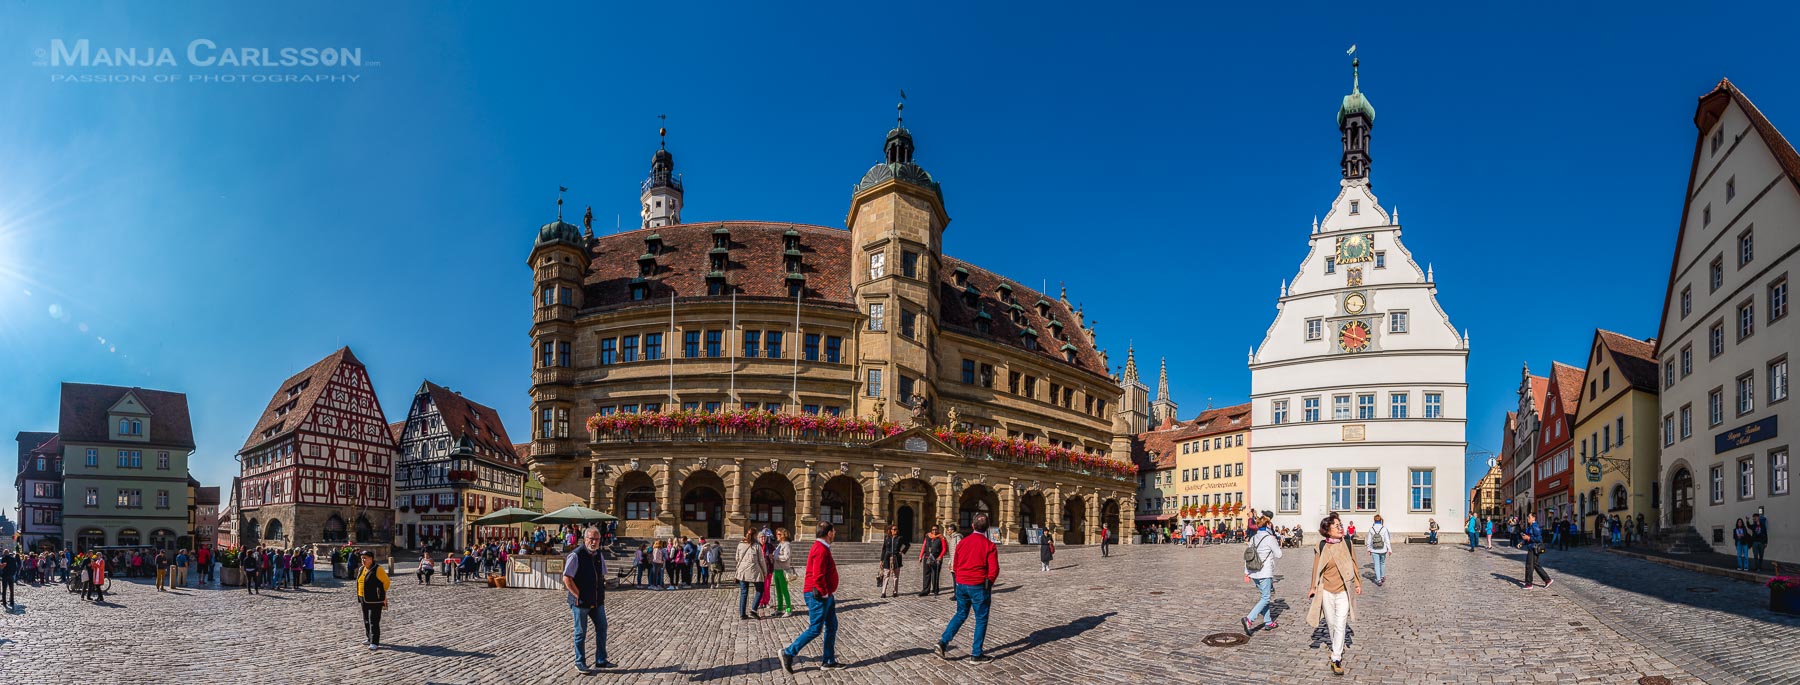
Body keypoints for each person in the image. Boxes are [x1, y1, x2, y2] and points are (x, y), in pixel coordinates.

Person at [779, 521, 842, 673]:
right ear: (828, 533)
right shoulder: (820, 549)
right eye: (833, 531)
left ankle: (828, 661)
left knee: (832, 626)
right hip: (819, 595)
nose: (835, 534)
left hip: (826, 595)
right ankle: (788, 653)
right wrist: (825, 593)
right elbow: (818, 575)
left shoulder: (822, 547)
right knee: (815, 629)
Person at [936, 513, 999, 664]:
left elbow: (955, 564)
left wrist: (959, 580)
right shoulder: (989, 545)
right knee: (981, 619)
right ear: (988, 527)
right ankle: (976, 654)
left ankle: (943, 642)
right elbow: (994, 569)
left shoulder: (963, 543)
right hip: (978, 586)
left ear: (972, 526)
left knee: (960, 614)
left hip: (961, 585)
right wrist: (988, 583)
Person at [1305, 513, 1362, 676]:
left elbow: (1354, 564)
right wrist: (1313, 587)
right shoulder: (1322, 546)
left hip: (1344, 590)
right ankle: (1337, 646)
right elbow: (1316, 568)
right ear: (1327, 530)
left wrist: (1358, 583)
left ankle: (1336, 657)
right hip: (1327, 592)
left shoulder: (1348, 543)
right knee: (1331, 624)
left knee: (1340, 623)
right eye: (1336, 526)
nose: (1340, 528)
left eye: (1340, 525)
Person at [564, 526, 615, 672]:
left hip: (597, 601)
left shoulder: (598, 554)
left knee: (602, 627)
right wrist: (578, 596)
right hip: (580, 603)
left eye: (597, 539)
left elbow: (601, 575)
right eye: (591, 539)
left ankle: (601, 660)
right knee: (580, 632)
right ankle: (580, 662)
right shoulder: (576, 555)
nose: (594, 542)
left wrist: (602, 589)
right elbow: (567, 578)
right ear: (585, 539)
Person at [1242, 515, 1283, 635]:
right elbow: (1279, 554)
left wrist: (1246, 573)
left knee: (1264, 597)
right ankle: (1249, 619)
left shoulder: (1253, 538)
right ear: (1268, 525)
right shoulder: (1270, 538)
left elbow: (1248, 556)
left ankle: (1268, 622)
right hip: (1264, 572)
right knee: (1266, 598)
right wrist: (1276, 541)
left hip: (1253, 572)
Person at [355, 550, 389, 650]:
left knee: (374, 620)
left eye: (365, 558)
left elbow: (386, 582)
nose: (363, 560)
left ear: (371, 559)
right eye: (362, 558)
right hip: (363, 598)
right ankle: (369, 638)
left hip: (375, 600)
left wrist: (380, 593)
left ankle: (375, 642)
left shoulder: (378, 569)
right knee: (366, 620)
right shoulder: (362, 569)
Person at [735, 528, 770, 619]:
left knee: (743, 592)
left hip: (742, 571)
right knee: (760, 590)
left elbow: (737, 558)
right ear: (755, 536)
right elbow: (761, 560)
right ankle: (753, 610)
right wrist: (765, 572)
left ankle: (742, 614)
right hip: (754, 571)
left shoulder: (740, 544)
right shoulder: (756, 546)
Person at [1519, 513, 1553, 589]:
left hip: (1534, 548)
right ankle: (1547, 580)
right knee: (1535, 565)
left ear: (1533, 518)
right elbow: (1528, 537)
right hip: (1531, 547)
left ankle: (1529, 584)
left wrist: (1529, 538)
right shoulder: (1530, 527)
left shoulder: (1535, 527)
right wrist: (1522, 542)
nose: (1528, 518)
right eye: (1528, 517)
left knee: (1529, 566)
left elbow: (1539, 539)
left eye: (1529, 517)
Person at [770, 529, 795, 616]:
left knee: (784, 591)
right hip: (776, 570)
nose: (777, 535)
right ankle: (780, 608)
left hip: (783, 570)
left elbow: (786, 557)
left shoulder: (787, 545)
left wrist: (775, 556)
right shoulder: (780, 545)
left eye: (779, 534)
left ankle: (788, 609)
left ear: (783, 535)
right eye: (776, 534)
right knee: (778, 591)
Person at [879, 525, 908, 598]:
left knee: (895, 576)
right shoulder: (887, 538)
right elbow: (884, 549)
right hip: (887, 558)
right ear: (891, 530)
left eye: (896, 529)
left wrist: (902, 551)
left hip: (896, 558)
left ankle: (895, 591)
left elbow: (907, 545)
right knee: (886, 575)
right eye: (894, 529)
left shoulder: (900, 538)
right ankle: (883, 592)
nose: (895, 531)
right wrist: (881, 560)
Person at [919, 524, 948, 597]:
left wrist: (940, 556)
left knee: (935, 574)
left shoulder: (941, 538)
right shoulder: (927, 536)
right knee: (926, 574)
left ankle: (935, 589)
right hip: (927, 557)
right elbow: (924, 546)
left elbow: (944, 549)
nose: (934, 531)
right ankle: (925, 590)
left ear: (938, 530)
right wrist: (920, 556)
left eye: (936, 529)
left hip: (936, 558)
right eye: (933, 529)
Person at [1368, 515, 1392, 587]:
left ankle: (1378, 580)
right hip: (1383, 549)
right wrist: (1389, 549)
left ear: (1374, 520)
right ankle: (1382, 576)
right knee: (1382, 563)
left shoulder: (1371, 529)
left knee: (1376, 564)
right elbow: (1387, 540)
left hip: (1374, 549)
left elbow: (1369, 540)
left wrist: (1368, 549)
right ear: (1380, 520)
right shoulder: (1384, 528)